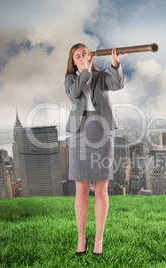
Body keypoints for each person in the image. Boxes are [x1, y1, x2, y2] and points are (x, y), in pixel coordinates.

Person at [64, 43, 124, 256]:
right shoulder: (71, 79)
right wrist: (86, 70)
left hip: (102, 130)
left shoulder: (102, 76)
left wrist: (115, 64)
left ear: (90, 55)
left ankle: (98, 240)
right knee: (81, 190)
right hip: (79, 133)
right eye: (77, 56)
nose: (82, 58)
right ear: (73, 61)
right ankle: (82, 238)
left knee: (100, 189)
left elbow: (117, 85)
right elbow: (74, 91)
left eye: (84, 54)